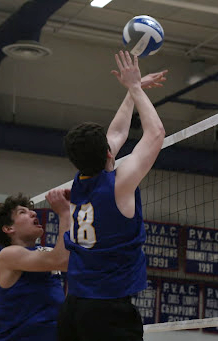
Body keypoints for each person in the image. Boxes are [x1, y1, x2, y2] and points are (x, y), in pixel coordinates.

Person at [59, 51, 167, 341]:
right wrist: (133, 87)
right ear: (108, 154)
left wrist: (135, 91)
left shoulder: (80, 183)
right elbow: (155, 134)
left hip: (74, 306)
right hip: (107, 313)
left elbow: (117, 133)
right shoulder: (118, 185)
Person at [0, 189, 70, 341]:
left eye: (31, 211)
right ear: (9, 228)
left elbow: (69, 261)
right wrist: (64, 213)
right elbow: (62, 260)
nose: (33, 214)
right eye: (22, 212)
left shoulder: (46, 252)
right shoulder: (8, 255)